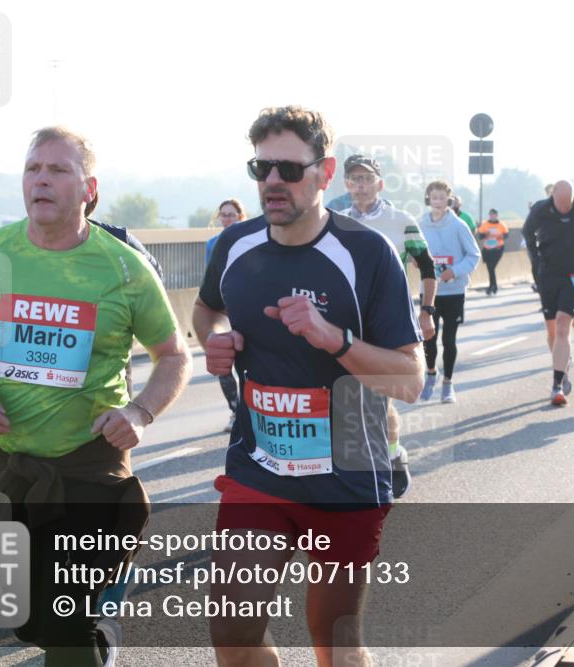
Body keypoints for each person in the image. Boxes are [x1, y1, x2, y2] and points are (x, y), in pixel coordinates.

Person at [0, 126, 192, 666]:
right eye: (33, 169)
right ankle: (97, 635)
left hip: (90, 462)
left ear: (88, 188)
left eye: (57, 170)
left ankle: (88, 632)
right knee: (26, 616)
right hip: (7, 461)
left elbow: (174, 354)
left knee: (63, 620)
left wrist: (140, 411)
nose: (41, 180)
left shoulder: (124, 267)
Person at [193, 105, 423, 667]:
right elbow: (204, 311)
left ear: (325, 171)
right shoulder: (234, 245)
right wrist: (214, 340)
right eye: (261, 169)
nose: (273, 182)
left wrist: (335, 341)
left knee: (334, 640)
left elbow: (411, 380)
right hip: (260, 466)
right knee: (232, 630)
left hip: (347, 473)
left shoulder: (367, 254)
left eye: (289, 170)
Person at [338, 153, 437, 497]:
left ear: (379, 184)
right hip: (349, 321)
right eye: (355, 179)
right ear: (346, 184)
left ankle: (393, 456)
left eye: (367, 179)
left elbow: (428, 268)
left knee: (381, 395)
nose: (361, 185)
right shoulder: (335, 222)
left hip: (390, 321)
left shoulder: (401, 221)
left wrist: (426, 311)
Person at [523, 180, 574, 406]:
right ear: (553, 197)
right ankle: (562, 367)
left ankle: (557, 384)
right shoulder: (541, 209)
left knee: (563, 323)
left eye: (567, 203)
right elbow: (527, 232)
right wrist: (536, 257)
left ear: (573, 197)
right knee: (552, 330)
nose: (563, 208)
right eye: (559, 203)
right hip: (548, 273)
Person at [418, 180, 481, 403]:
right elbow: (412, 252)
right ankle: (431, 374)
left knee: (449, 339)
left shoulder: (458, 226)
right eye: (433, 198)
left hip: (453, 291)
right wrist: (417, 263)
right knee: (428, 337)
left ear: (449, 200)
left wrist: (452, 272)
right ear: (428, 199)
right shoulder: (420, 225)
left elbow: (474, 255)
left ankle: (448, 384)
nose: (437, 202)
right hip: (429, 291)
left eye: (441, 198)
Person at [201, 199, 248, 433]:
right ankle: (234, 410)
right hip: (222, 310)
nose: (227, 218)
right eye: (224, 215)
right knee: (223, 362)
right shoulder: (213, 244)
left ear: (241, 217)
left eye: (232, 215)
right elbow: (209, 280)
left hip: (246, 309)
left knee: (247, 363)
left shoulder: (251, 241)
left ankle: (251, 411)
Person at [477, 208, 509, 295]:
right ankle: (493, 286)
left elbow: (506, 235)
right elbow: (480, 236)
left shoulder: (501, 225)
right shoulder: (485, 224)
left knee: (492, 267)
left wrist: (500, 236)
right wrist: (486, 234)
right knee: (490, 268)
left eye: (494, 214)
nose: (492, 216)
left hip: (498, 249)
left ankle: (492, 286)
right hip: (487, 249)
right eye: (491, 215)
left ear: (496, 215)